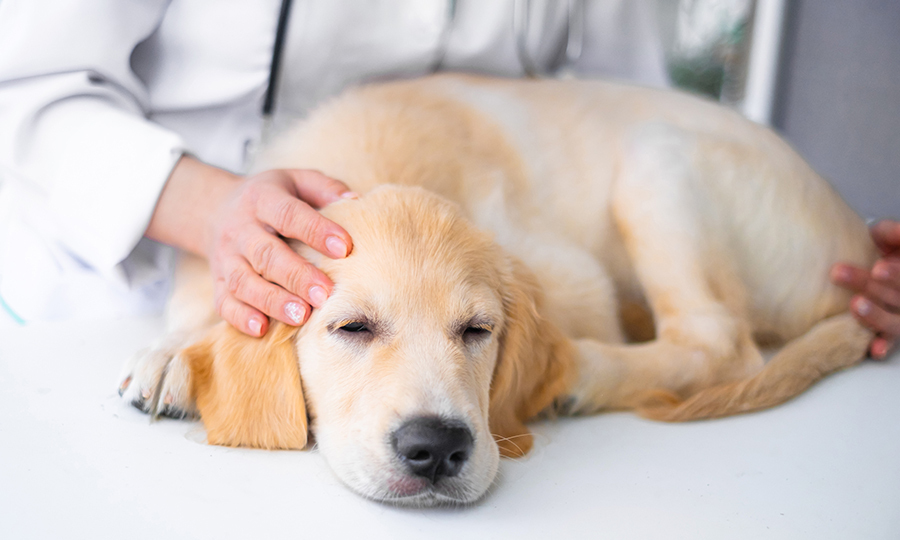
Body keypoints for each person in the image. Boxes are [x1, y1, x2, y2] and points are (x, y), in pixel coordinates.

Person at [0, 1, 896, 358]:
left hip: (444, 323)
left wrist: (827, 262)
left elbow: (628, 108)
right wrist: (212, 210)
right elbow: (26, 90)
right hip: (122, 287)